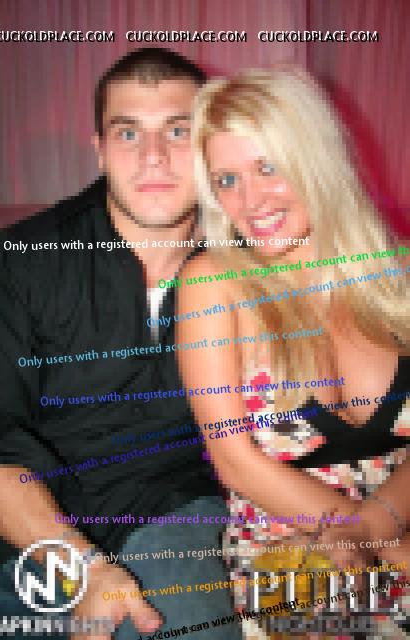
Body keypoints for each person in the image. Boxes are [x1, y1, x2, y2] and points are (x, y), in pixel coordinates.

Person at [0, 48, 241, 640]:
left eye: (178, 131)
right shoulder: (16, 264)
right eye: (129, 133)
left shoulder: (247, 262)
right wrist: (82, 565)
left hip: (170, 512)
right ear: (99, 149)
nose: (153, 156)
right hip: (23, 530)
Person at [177, 67, 410, 638]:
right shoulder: (213, 283)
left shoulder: (397, 273)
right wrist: (383, 546)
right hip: (293, 560)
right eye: (227, 180)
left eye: (268, 167)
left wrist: (380, 531)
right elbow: (235, 460)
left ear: (315, 159)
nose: (251, 201)